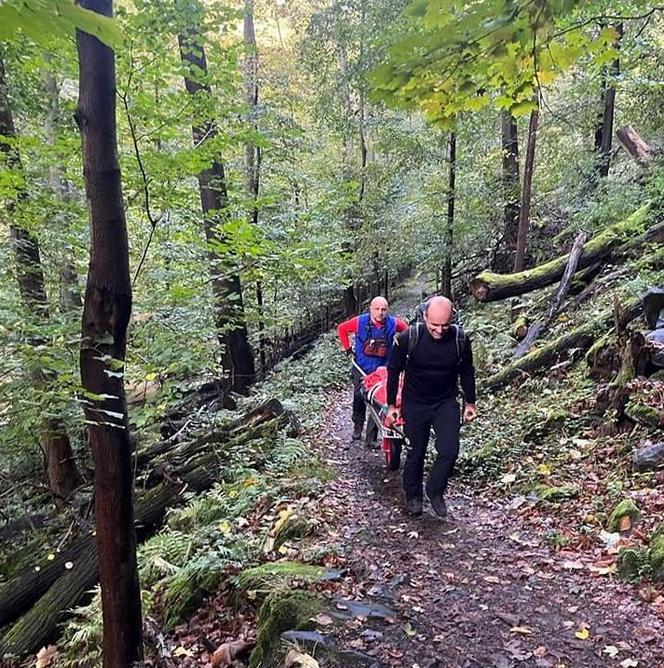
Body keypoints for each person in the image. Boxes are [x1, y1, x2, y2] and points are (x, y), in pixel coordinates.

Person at [386, 296, 477, 517]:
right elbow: (393, 370)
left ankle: (435, 490)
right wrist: (391, 405)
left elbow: (466, 371)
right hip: (415, 402)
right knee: (416, 452)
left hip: (445, 401)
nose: (439, 330)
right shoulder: (410, 337)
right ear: (424, 316)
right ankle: (413, 495)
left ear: (451, 320)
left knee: (449, 451)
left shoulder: (460, 340)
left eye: (444, 325)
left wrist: (470, 402)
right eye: (434, 325)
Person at [337, 297, 408, 446]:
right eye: (377, 309)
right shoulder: (360, 321)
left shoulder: (393, 323)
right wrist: (347, 347)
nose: (380, 313)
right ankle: (358, 425)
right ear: (370, 308)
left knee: (379, 401)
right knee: (359, 395)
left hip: (382, 369)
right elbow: (342, 329)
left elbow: (406, 330)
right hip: (361, 367)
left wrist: (401, 349)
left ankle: (371, 437)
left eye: (383, 309)